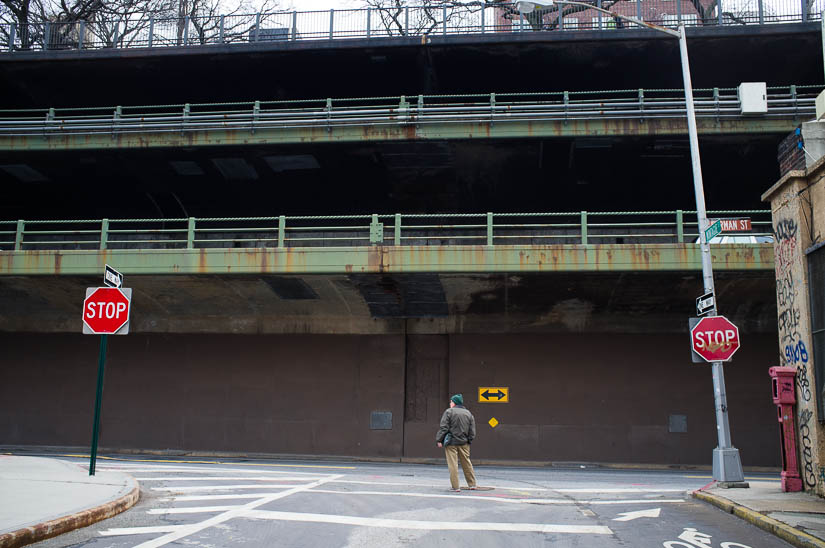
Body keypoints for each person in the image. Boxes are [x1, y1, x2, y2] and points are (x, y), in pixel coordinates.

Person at [436, 394, 477, 492]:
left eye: (451, 401)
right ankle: (472, 484)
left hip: (451, 443)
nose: (450, 403)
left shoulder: (449, 412)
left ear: (454, 402)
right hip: (464, 443)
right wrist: (469, 440)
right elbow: (472, 431)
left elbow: (444, 428)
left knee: (453, 465)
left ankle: (456, 487)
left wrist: (439, 440)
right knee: (467, 463)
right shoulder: (468, 414)